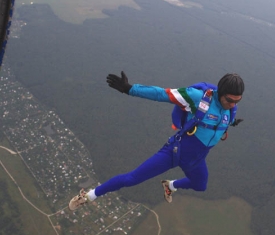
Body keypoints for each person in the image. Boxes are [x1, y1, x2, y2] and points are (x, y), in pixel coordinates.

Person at [69, 72, 244, 210]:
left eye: (237, 101)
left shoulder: (230, 110)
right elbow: (162, 94)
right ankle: (88, 196)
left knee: (200, 186)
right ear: (221, 93)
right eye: (229, 100)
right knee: (131, 179)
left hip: (196, 160)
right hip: (175, 152)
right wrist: (129, 89)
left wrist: (231, 122)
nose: (232, 104)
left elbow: (219, 118)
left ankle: (170, 185)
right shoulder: (198, 97)